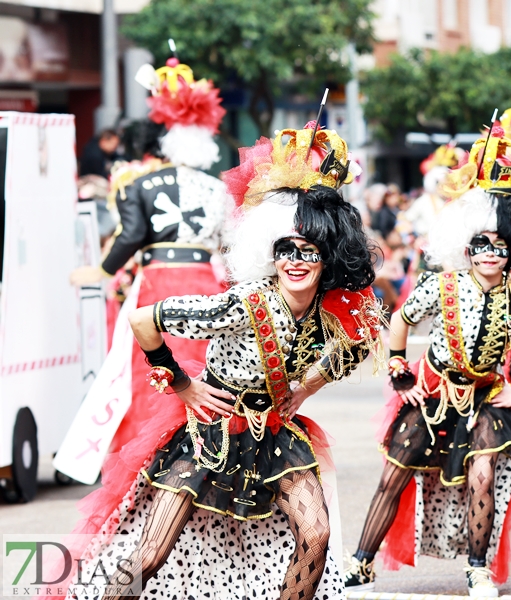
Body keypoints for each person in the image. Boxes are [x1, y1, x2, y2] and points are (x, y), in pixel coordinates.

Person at [50, 124, 379, 600]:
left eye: (310, 252)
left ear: (330, 258)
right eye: (285, 249)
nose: (295, 261)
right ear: (270, 251)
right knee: (149, 554)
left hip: (275, 438)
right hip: (207, 437)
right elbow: (143, 320)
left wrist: (305, 388)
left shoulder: (330, 312)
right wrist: (183, 385)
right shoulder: (243, 303)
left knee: (316, 536)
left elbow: (359, 341)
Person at [343, 125, 511, 598]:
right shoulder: (442, 285)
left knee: (482, 477)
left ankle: (477, 568)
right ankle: (360, 564)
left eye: (500, 247)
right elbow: (400, 321)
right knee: (394, 473)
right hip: (433, 392)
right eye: (481, 246)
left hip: (486, 398)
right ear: (466, 247)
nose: (490, 255)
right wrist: (399, 373)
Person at [58, 56, 231, 476]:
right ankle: (211, 454)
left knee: (148, 371)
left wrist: (100, 272)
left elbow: (130, 236)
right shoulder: (219, 188)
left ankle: (147, 460)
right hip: (207, 283)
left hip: (157, 283)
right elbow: (227, 247)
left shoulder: (138, 185)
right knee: (206, 367)